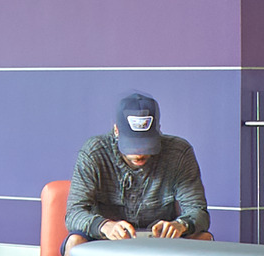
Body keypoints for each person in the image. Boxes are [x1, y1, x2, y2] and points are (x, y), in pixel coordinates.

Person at [69, 92, 208, 241]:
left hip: (161, 240)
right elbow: (74, 213)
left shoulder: (179, 153)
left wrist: (180, 225)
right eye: (132, 146)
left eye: (147, 145)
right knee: (75, 241)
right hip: (106, 239)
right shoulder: (93, 153)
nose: (140, 154)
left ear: (158, 130)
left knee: (203, 238)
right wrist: (104, 226)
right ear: (116, 131)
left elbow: (198, 211)